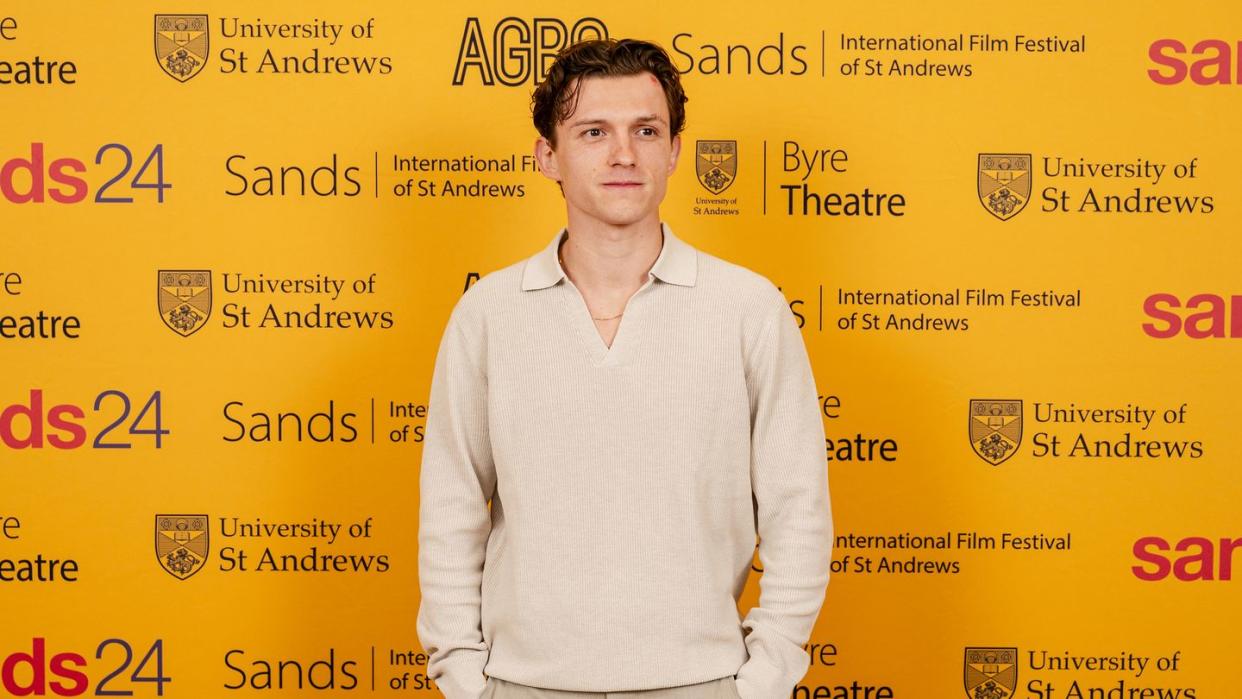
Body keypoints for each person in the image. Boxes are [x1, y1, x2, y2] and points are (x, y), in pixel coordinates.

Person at [416, 38, 832, 699]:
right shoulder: (487, 314)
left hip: (703, 684)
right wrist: (467, 679)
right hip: (520, 685)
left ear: (673, 151)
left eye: (646, 130)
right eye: (593, 131)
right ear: (547, 155)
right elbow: (451, 507)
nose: (623, 154)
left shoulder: (749, 308)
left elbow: (799, 508)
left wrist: (759, 680)